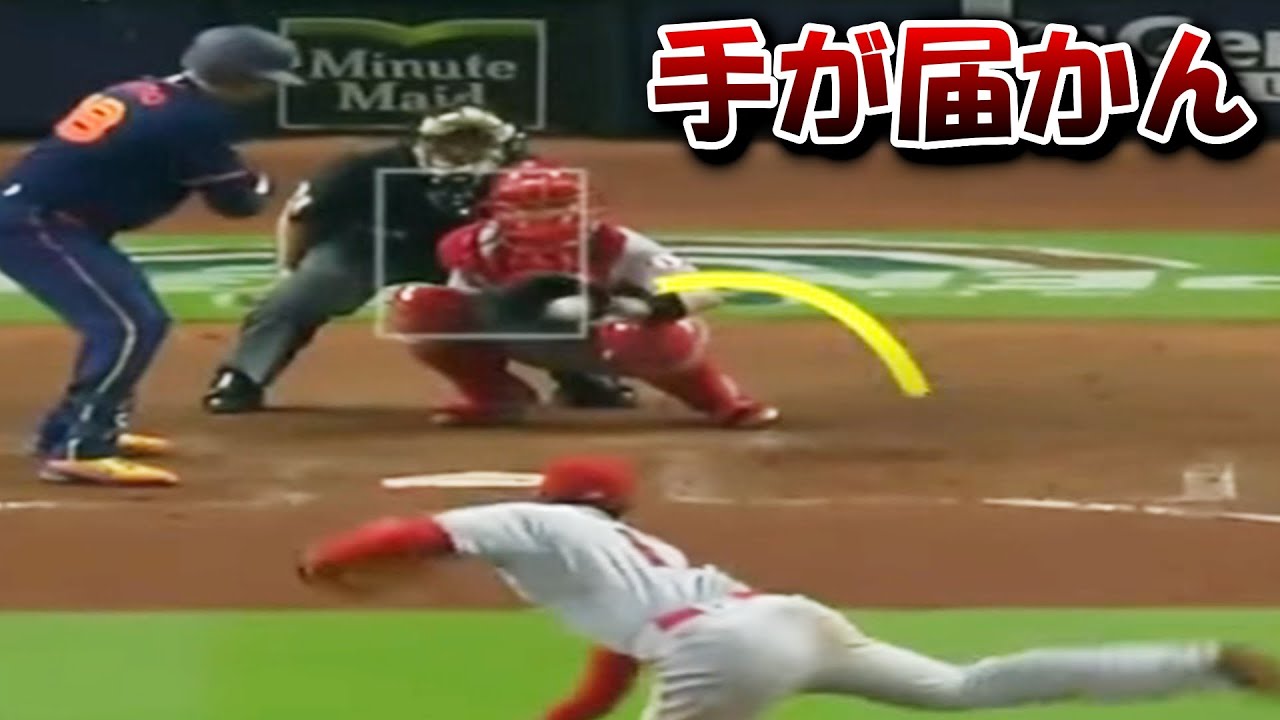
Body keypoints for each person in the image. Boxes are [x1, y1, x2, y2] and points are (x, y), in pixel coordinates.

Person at [298, 455, 1280, 719]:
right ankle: (1204, 663)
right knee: (963, 688)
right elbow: (609, 673)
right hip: (784, 620)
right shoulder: (630, 555)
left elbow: (406, 533)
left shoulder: (536, 521)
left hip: (720, 645)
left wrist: (325, 564)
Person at [0, 25, 296, 486]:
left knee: (134, 320)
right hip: (38, 225)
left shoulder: (141, 91)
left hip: (46, 219)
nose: (268, 91)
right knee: (128, 325)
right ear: (240, 79)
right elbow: (236, 204)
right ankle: (82, 447)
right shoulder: (192, 121)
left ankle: (72, 429)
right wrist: (259, 186)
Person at [203, 106, 636, 414]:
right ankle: (242, 377)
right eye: (451, 144)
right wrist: (290, 270)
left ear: (506, 147)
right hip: (373, 246)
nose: (462, 154)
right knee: (301, 295)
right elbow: (301, 216)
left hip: (481, 256)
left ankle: (582, 374)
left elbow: (566, 236)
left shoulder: (534, 176)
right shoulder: (364, 168)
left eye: (475, 143)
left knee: (542, 292)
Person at [388, 161, 778, 427]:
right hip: (522, 334)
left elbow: (704, 291)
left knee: (647, 338)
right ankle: (495, 397)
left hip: (606, 340)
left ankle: (717, 400)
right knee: (419, 307)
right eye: (529, 208)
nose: (543, 217)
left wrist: (645, 307)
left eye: (556, 206)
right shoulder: (475, 248)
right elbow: (462, 308)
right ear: (497, 212)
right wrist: (512, 306)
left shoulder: (618, 245)